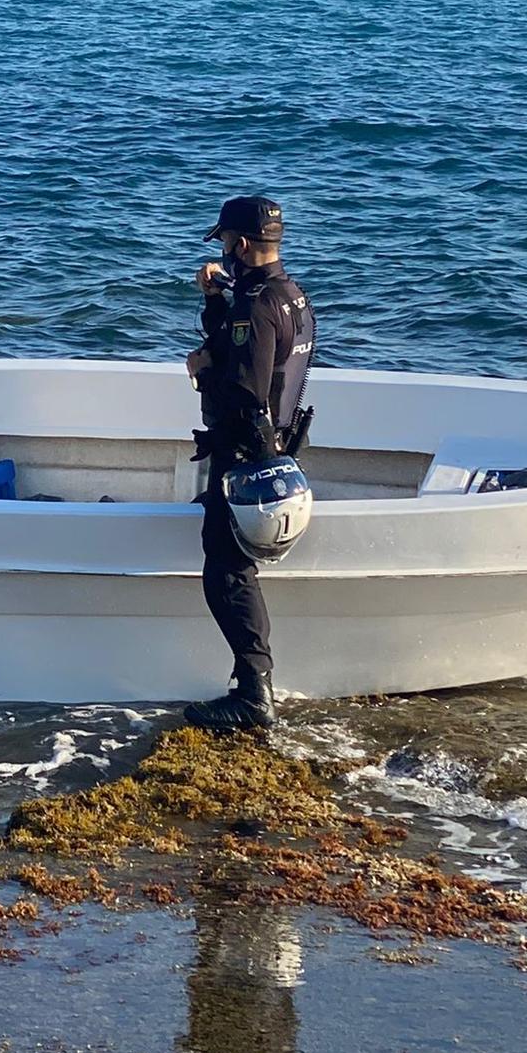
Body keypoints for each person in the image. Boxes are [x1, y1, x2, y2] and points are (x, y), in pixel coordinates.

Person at [184, 195, 315, 730]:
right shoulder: (290, 296)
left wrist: (202, 367)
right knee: (233, 568)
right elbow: (259, 356)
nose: (224, 253)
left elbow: (245, 392)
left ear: (239, 244)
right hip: (277, 448)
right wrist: (218, 302)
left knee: (228, 573)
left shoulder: (256, 306)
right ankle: (250, 685)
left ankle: (254, 693)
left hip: (246, 458)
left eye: (224, 243)